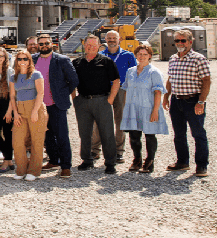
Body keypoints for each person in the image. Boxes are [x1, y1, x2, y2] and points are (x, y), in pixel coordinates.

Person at [163, 29, 211, 177]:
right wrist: (166, 96)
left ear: (190, 41)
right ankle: (182, 162)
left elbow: (207, 81)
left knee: (198, 134)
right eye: (177, 40)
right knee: (179, 134)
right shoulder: (173, 59)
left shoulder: (199, 59)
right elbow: (171, 79)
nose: (180, 43)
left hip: (193, 101)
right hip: (176, 101)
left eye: (183, 40)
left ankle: (202, 166)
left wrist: (201, 102)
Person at [72, 34, 121, 174]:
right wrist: (74, 98)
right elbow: (71, 82)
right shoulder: (76, 62)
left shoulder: (106, 61)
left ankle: (110, 163)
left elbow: (116, 81)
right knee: (84, 133)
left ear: (99, 46)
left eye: (94, 45)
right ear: (84, 45)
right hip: (82, 101)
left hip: (102, 101)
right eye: (88, 45)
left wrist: (110, 99)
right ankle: (87, 160)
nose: (91, 47)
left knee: (107, 133)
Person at [33, 34, 80, 179]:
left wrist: (62, 93)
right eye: (41, 44)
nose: (44, 46)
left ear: (52, 43)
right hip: (40, 105)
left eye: (47, 43)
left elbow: (73, 80)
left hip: (57, 104)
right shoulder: (33, 59)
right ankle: (53, 161)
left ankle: (66, 166)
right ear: (38, 45)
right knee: (47, 135)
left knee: (61, 136)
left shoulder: (62, 60)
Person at [121, 45, 169, 173]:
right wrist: (126, 107)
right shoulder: (130, 71)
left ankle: (149, 161)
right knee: (134, 136)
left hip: (148, 108)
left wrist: (155, 111)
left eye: (145, 54)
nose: (141, 56)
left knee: (149, 135)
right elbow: (126, 90)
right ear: (136, 55)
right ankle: (137, 159)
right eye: (139, 54)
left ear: (150, 56)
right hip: (133, 108)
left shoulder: (154, 72)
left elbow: (158, 92)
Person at [92, 30, 137, 164]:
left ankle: (118, 151)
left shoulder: (128, 55)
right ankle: (94, 150)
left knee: (120, 121)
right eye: (109, 38)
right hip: (103, 91)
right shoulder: (99, 55)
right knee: (99, 121)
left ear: (120, 39)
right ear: (105, 40)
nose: (111, 40)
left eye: (114, 38)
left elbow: (133, 74)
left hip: (122, 90)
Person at [7, 49, 48, 181]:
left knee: (37, 141)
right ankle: (21, 170)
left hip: (35, 108)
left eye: (25, 59)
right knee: (17, 141)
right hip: (20, 109)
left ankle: (34, 171)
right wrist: (16, 113)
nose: (22, 61)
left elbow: (41, 93)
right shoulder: (13, 77)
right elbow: (12, 96)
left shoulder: (36, 74)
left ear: (29, 60)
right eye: (20, 59)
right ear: (16, 61)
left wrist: (35, 111)